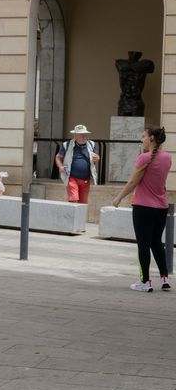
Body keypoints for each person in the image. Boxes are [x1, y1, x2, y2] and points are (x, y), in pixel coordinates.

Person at [113, 126, 171, 292]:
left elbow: (133, 182)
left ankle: (145, 282)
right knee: (156, 243)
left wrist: (118, 197)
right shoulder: (168, 158)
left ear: (152, 138)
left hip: (143, 207)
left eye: (144, 136)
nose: (142, 139)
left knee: (143, 245)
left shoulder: (144, 158)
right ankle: (164, 278)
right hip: (161, 207)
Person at [55, 124, 99, 204]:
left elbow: (95, 157)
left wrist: (97, 158)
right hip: (72, 178)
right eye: (81, 135)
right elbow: (58, 157)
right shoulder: (67, 145)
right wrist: (60, 167)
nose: (84, 137)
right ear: (75, 136)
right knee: (74, 199)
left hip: (86, 180)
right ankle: (72, 216)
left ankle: (80, 217)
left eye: (85, 135)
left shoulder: (91, 144)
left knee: (83, 203)